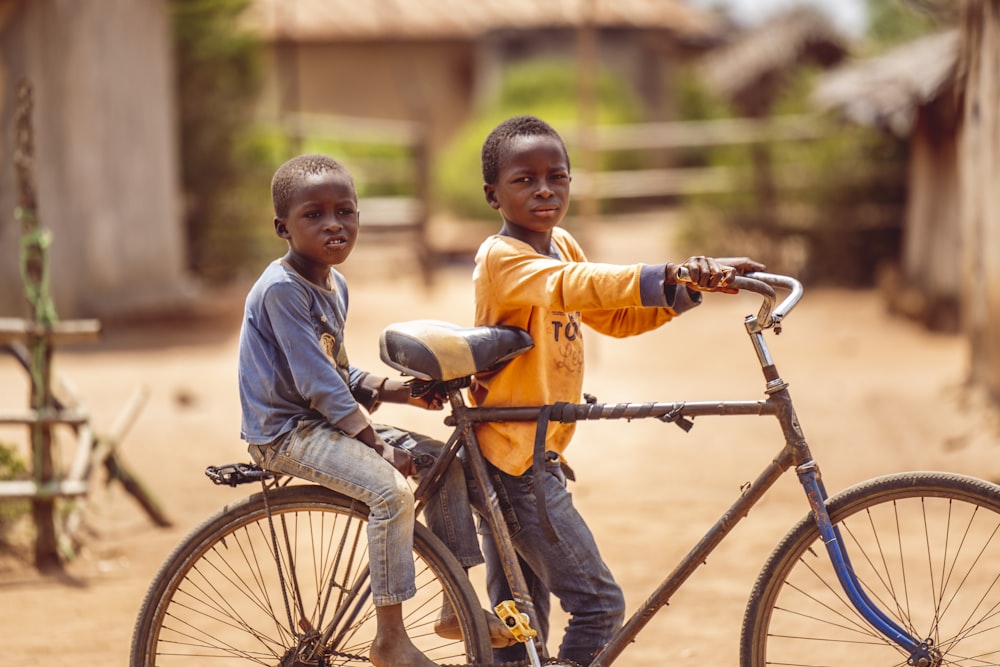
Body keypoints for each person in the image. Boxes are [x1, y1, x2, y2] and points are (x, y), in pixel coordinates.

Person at [468, 115, 766, 665]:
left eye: (557, 177)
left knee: (518, 623)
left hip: (535, 451)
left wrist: (683, 290)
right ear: (493, 195)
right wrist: (669, 271)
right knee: (599, 606)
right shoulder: (502, 258)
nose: (544, 189)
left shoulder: (560, 242)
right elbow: (571, 286)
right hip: (514, 461)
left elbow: (615, 317)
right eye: (524, 180)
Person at [237, 153, 510, 667]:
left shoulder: (333, 285)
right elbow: (319, 385)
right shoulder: (280, 290)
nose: (333, 224)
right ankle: (391, 639)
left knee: (439, 462)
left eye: (345, 211)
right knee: (389, 491)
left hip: (324, 422)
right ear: (283, 227)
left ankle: (460, 607)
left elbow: (339, 372)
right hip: (286, 432)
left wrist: (402, 391)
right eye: (313, 215)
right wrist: (378, 444)